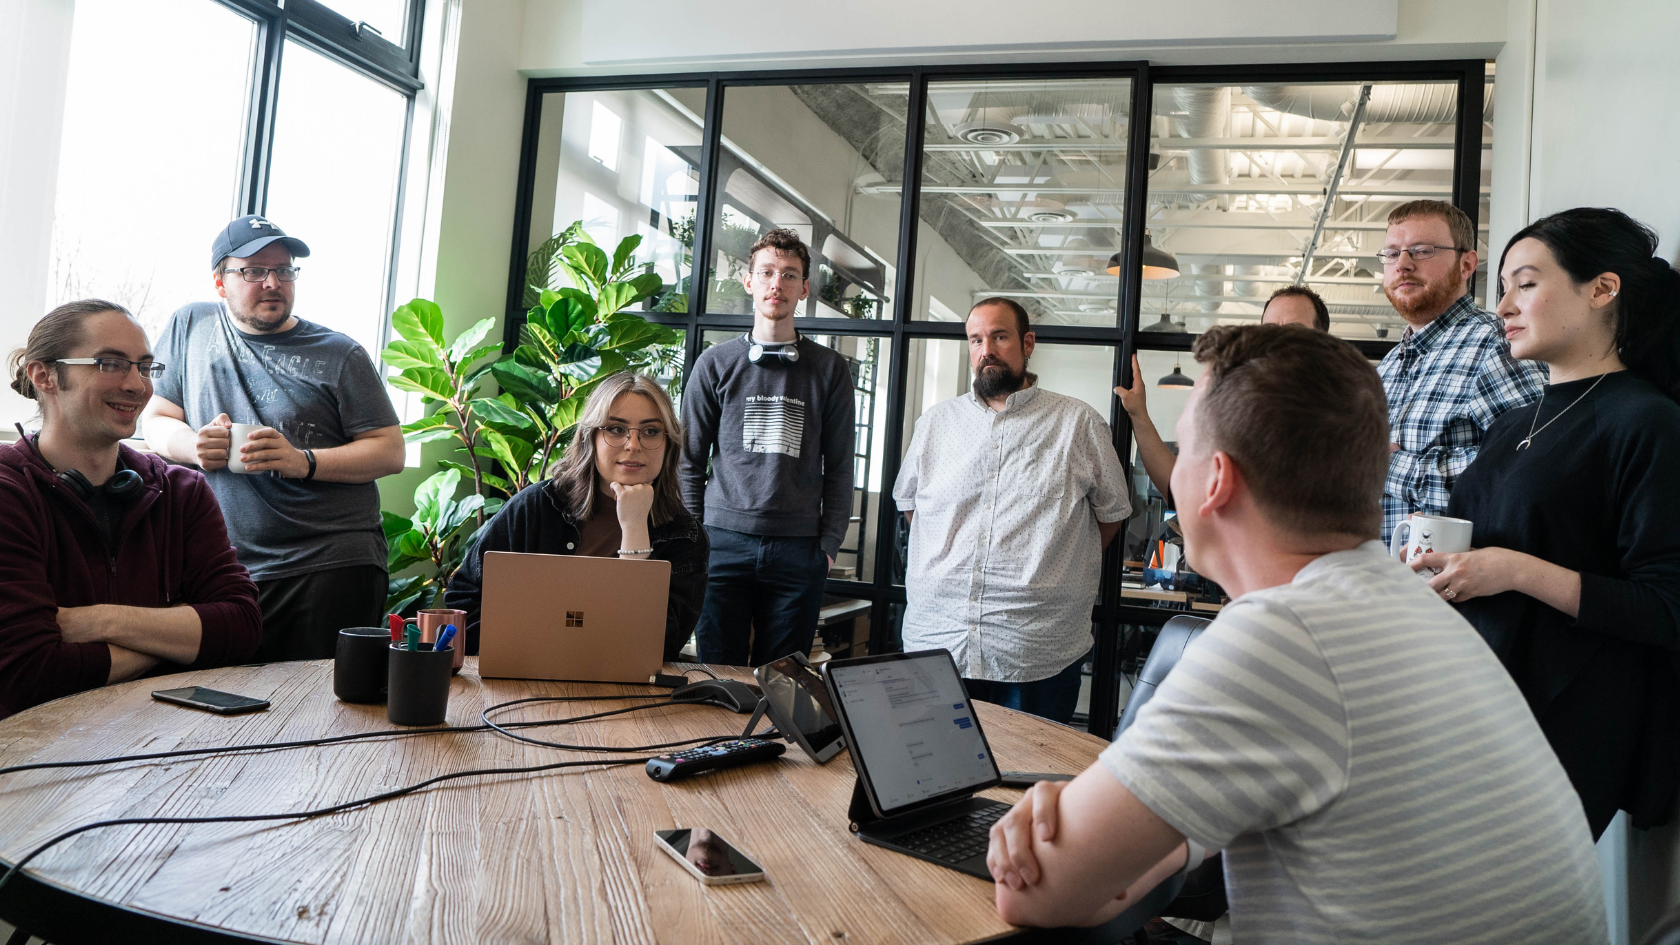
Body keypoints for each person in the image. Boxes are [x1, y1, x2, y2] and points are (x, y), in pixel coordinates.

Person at [983, 325, 1605, 942]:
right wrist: (1109, 852)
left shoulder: (1286, 637)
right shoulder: (1407, 611)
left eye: (1186, 451)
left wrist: (1057, 838)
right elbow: (1146, 862)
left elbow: (1035, 894)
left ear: (1218, 480)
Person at [1418, 208, 1680, 840]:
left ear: (1602, 288)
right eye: (1502, 287)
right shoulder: (1515, 422)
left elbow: (1665, 606)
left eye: (1526, 283)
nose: (1503, 305)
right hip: (1479, 705)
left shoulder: (1647, 422)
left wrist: (1512, 570)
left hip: (1565, 724)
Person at [142, 216, 405, 662]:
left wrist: (304, 461)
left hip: (330, 563)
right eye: (253, 271)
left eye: (284, 271)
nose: (272, 283)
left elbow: (389, 450)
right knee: (221, 706)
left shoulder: (340, 353)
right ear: (220, 282)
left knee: (315, 712)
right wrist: (194, 447)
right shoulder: (191, 326)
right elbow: (158, 418)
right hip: (227, 568)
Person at [0, 300, 261, 719]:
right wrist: (173, 637)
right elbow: (29, 672)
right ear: (44, 375)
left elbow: (242, 628)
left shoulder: (183, 491)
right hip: (35, 756)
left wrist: (100, 622)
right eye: (110, 363)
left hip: (158, 743)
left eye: (144, 366)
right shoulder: (9, 493)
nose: (137, 385)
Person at [893, 298, 1130, 725]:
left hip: (1036, 646)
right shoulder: (935, 424)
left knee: (1029, 782)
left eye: (1000, 337)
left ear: (1027, 343)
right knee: (937, 777)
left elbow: (1111, 514)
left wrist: (1055, 566)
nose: (987, 350)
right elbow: (912, 508)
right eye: (976, 340)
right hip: (939, 639)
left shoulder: (1078, 423)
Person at [678, 228, 854, 666]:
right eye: (768, 272)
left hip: (799, 551)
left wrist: (828, 545)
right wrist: (697, 538)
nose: (778, 284)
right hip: (721, 544)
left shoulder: (829, 370)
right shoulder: (714, 364)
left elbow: (841, 467)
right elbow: (688, 461)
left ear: (804, 288)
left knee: (785, 684)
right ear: (749, 281)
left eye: (790, 275)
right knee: (719, 673)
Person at [448, 372, 707, 661]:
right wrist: (516, 647)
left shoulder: (686, 535)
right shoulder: (537, 506)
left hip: (625, 691)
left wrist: (635, 529)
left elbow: (660, 646)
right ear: (590, 437)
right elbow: (463, 599)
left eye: (650, 432)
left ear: (668, 442)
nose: (633, 445)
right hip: (518, 677)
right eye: (616, 429)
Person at [1376, 199, 1545, 545]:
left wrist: (1387, 468)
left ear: (1466, 264)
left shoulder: (1497, 342)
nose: (1403, 264)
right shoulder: (1390, 364)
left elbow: (1531, 466)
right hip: (1381, 583)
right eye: (1392, 254)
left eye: (1422, 251)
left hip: (1456, 593)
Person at [1119, 284, 1330, 501]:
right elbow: (1182, 493)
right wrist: (1138, 414)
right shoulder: (1241, 414)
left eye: (1294, 330)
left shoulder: (1343, 419)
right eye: (1269, 330)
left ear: (1322, 342)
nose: (1278, 340)